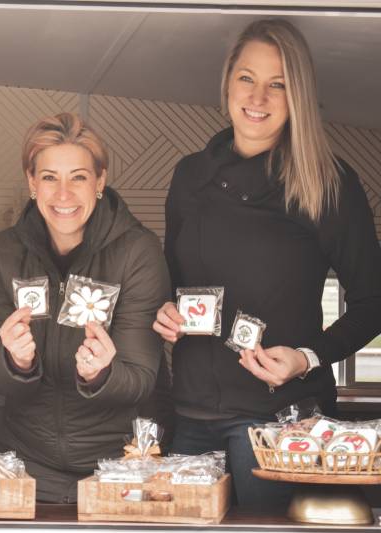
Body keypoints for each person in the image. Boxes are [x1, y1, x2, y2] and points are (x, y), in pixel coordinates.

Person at [153, 19, 381, 509]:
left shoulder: (329, 183)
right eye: (247, 78)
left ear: (297, 94)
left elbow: (373, 302)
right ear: (227, 82)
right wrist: (166, 312)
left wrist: (307, 357)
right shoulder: (189, 175)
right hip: (190, 414)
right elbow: (175, 282)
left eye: (278, 84)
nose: (259, 96)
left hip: (279, 419)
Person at [0, 112, 171, 503]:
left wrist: (101, 374)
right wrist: (16, 362)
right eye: (49, 177)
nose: (63, 194)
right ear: (31, 182)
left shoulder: (138, 251)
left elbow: (140, 378)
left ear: (100, 182)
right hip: (30, 464)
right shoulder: (2, 251)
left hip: (121, 467)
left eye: (78, 177)